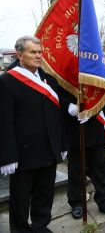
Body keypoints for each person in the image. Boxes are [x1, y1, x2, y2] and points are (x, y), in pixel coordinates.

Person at [0, 36, 67, 232]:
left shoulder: (49, 80)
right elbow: (4, 122)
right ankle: (20, 229)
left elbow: (58, 117)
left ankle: (40, 226)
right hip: (23, 153)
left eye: (40, 52)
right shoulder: (6, 81)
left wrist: (62, 144)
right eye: (33, 52)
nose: (38, 56)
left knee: (45, 194)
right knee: (20, 198)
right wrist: (7, 156)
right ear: (19, 54)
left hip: (48, 149)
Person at [63, 89, 105, 219]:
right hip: (74, 128)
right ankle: (76, 203)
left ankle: (104, 202)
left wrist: (93, 110)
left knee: (100, 170)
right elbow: (56, 92)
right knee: (75, 171)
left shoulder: (94, 69)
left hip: (94, 127)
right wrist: (67, 105)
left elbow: (104, 93)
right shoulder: (65, 70)